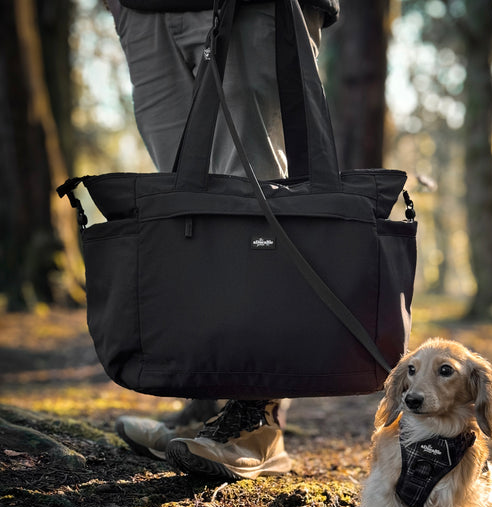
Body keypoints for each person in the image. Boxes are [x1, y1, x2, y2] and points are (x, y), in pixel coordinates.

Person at [104, 0, 340, 479]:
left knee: (258, 215)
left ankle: (258, 421)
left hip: (256, 6)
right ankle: (206, 406)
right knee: (186, 218)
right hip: (143, 10)